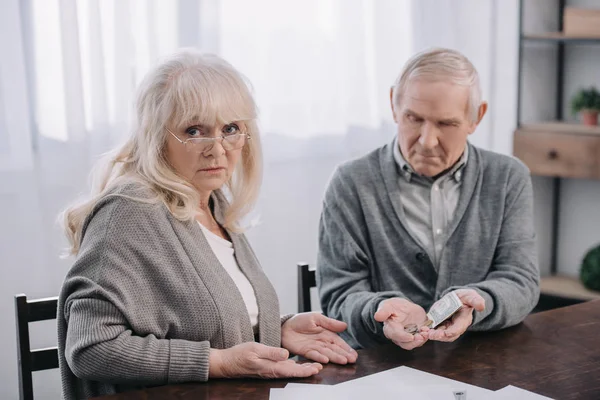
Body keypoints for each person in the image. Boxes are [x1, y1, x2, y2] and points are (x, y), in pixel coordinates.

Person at [57, 49, 357, 400]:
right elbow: (92, 347)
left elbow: (202, 317)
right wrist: (218, 363)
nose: (217, 149)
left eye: (231, 128)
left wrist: (277, 328)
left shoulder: (212, 201)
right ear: (157, 136)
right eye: (195, 130)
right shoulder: (128, 210)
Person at [317, 47, 540, 351]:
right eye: (413, 118)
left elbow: (521, 282)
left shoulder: (507, 178)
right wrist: (379, 314)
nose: (426, 140)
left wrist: (475, 304)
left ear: (477, 117)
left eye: (446, 124)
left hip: (479, 361)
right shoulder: (351, 183)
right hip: (380, 365)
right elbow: (339, 295)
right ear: (394, 106)